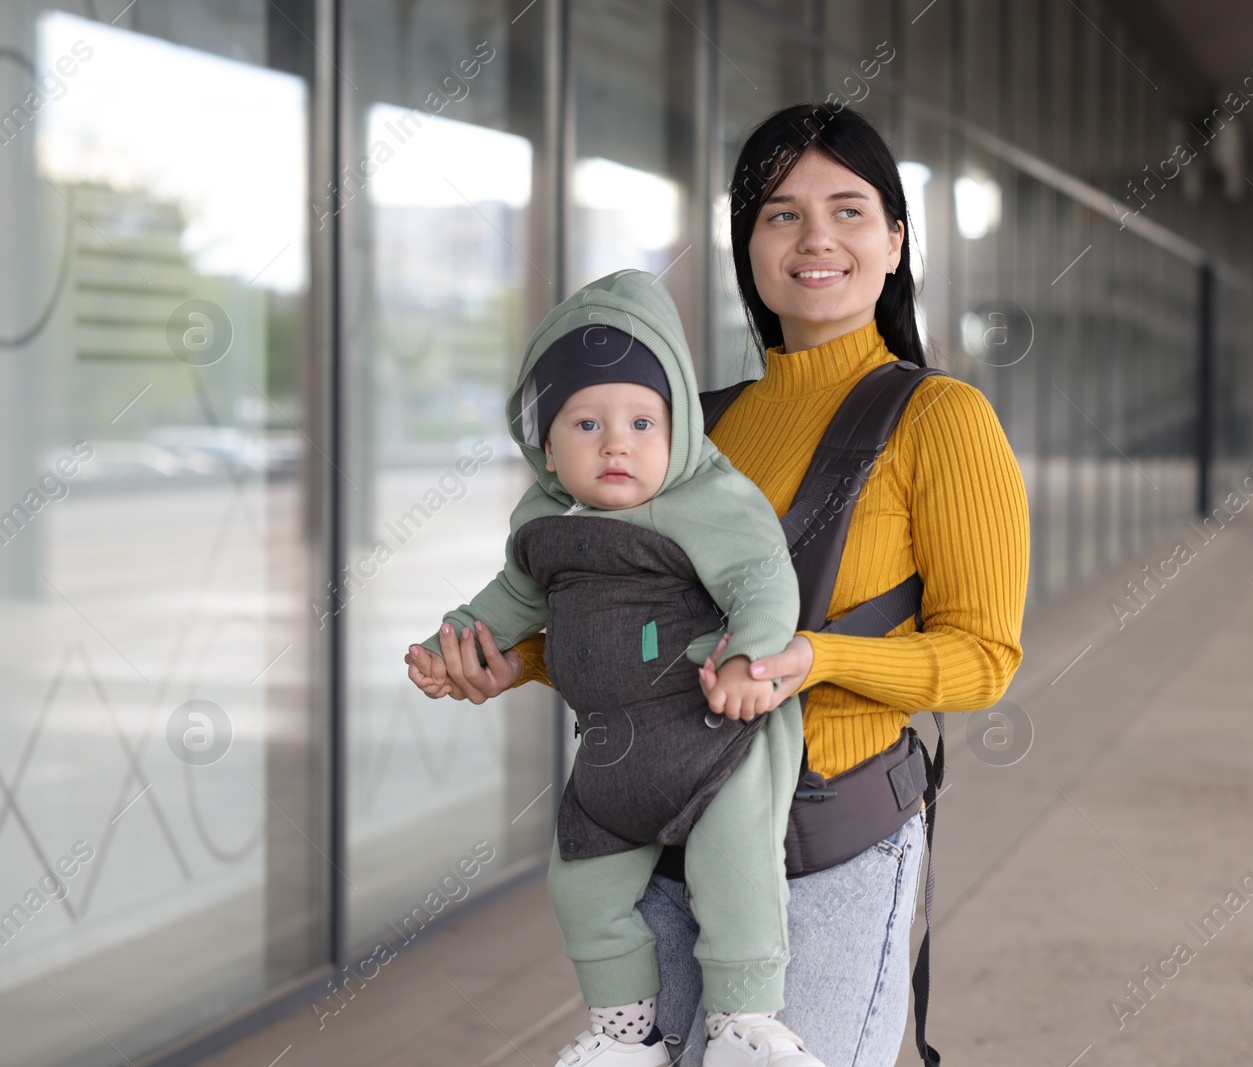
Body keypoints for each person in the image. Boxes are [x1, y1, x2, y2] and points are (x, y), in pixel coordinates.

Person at [416, 102, 1030, 1066]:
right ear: (748, 245)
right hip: (662, 843)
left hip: (827, 846)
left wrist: (809, 656)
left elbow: (982, 659)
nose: (816, 237)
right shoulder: (689, 428)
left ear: (896, 238)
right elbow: (632, 622)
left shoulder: (941, 419)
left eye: (849, 208)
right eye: (781, 213)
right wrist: (516, 662)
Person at [405, 268, 827, 1067]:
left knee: (735, 877)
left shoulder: (710, 497)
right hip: (606, 762)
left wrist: (749, 658)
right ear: (546, 445)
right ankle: (624, 1038)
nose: (617, 443)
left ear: (678, 430)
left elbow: (762, 578)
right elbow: (510, 599)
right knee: (580, 891)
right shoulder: (543, 524)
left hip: (713, 739)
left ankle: (747, 1027)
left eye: (641, 420)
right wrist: (451, 643)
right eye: (586, 424)